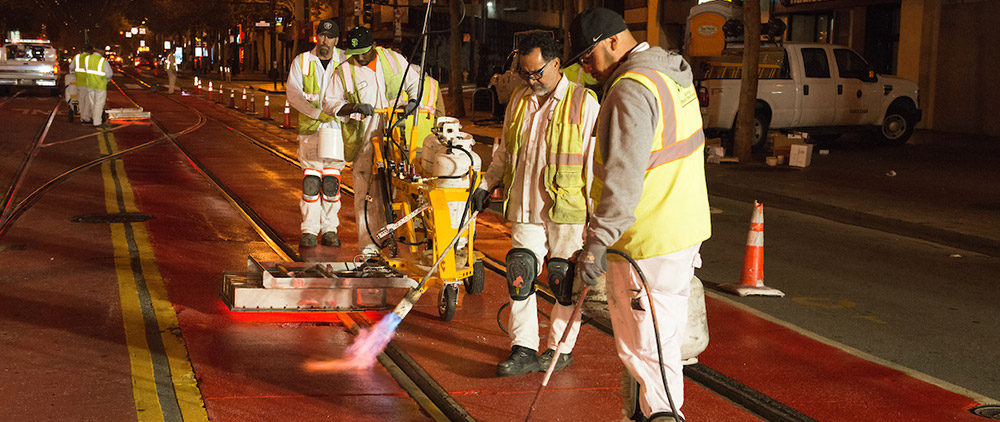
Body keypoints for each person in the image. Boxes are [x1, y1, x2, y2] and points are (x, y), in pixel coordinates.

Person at [569, 8, 711, 422]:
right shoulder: (671, 75)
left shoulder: (630, 90)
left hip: (646, 242)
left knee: (646, 352)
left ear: (613, 40)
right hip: (682, 232)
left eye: (587, 56)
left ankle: (661, 417)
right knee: (661, 343)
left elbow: (624, 177)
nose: (585, 68)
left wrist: (596, 243)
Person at [470, 32, 600, 377]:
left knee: (563, 280)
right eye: (525, 73)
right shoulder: (518, 101)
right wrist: (486, 183)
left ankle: (560, 348)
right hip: (525, 206)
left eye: (537, 72)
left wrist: (597, 220)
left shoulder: (584, 103)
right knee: (520, 274)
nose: (531, 80)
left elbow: (594, 166)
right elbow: (505, 153)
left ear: (557, 63)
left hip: (568, 211)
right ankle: (523, 348)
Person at [322, 26, 421, 255]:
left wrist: (414, 101)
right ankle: (369, 249)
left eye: (364, 52)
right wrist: (352, 106)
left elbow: (415, 82)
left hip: (397, 131)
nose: (360, 57)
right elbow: (329, 102)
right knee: (367, 194)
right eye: (356, 53)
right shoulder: (344, 70)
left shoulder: (393, 60)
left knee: (403, 188)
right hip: (365, 138)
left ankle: (405, 242)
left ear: (374, 46)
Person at [286, 19, 347, 248]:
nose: (325, 41)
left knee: (331, 182)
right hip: (310, 131)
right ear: (316, 37)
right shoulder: (302, 61)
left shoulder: (346, 61)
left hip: (336, 132)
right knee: (311, 182)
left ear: (336, 40)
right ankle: (309, 230)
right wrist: (315, 113)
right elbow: (293, 94)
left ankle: (330, 228)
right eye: (321, 35)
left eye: (330, 37)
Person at [77, 44, 112, 128]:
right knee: (99, 104)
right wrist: (106, 80)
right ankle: (97, 122)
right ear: (101, 51)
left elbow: (86, 70)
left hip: (90, 84)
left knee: (93, 103)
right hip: (100, 85)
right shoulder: (102, 61)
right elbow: (109, 74)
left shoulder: (87, 59)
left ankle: (94, 118)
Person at [72, 46, 92, 125]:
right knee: (88, 100)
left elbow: (71, 68)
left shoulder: (77, 57)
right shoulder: (90, 58)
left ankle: (82, 117)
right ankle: (85, 117)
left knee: (81, 99)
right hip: (88, 82)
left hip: (79, 82)